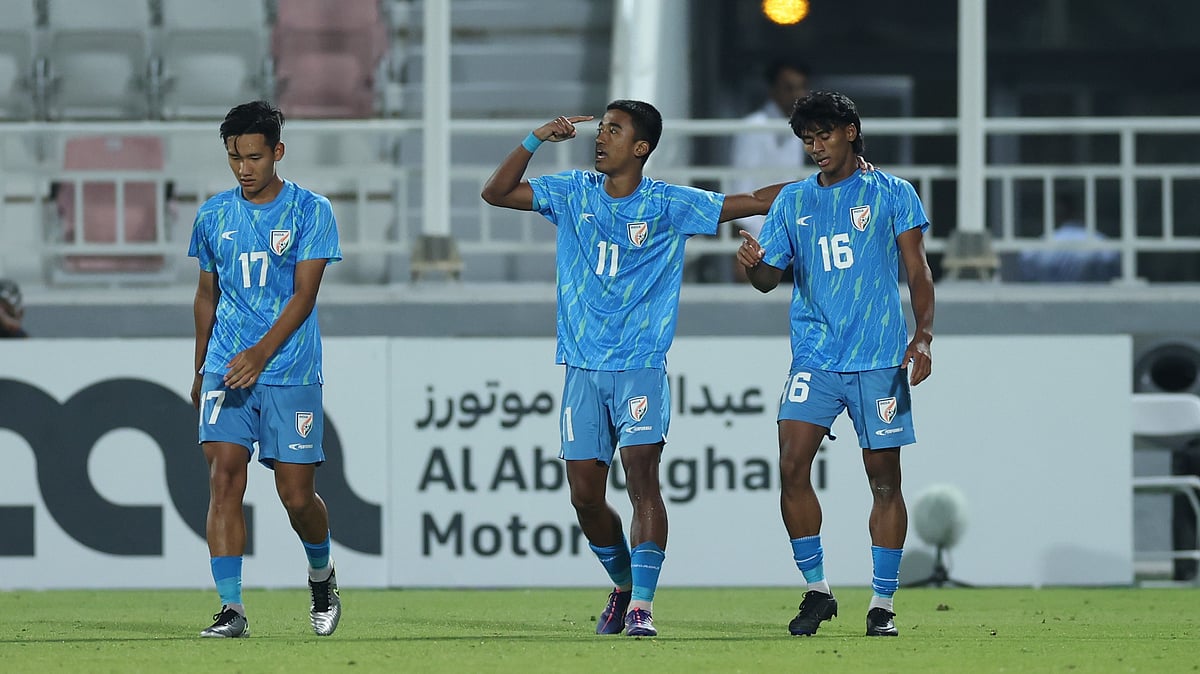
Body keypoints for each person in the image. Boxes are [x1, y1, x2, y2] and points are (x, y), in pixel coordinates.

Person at [481, 100, 786, 637]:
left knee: (643, 480)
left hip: (640, 366)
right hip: (581, 367)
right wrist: (534, 139)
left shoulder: (669, 203)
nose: (601, 138)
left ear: (641, 148)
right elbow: (497, 193)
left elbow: (753, 200)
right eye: (601, 129)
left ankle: (643, 605)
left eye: (614, 131)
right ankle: (623, 585)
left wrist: (822, 185)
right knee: (584, 495)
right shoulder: (572, 192)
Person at [736, 91, 935, 638]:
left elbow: (917, 271)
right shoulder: (794, 201)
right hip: (815, 358)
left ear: (850, 131)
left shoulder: (892, 192)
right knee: (791, 465)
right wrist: (753, 264)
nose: (815, 147)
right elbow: (768, 279)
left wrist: (922, 336)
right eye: (807, 139)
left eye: (823, 135)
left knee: (884, 481)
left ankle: (883, 603)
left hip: (877, 359)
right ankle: (817, 590)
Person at [187, 101, 343, 639]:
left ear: (277, 152)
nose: (243, 168)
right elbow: (206, 295)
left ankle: (321, 574)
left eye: (253, 156)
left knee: (297, 496)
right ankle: (232, 610)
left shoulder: (311, 211)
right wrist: (201, 362)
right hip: (226, 369)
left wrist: (261, 355)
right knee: (224, 479)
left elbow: (304, 296)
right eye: (234, 157)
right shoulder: (212, 215)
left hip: (289, 369)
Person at [1017, 194, 1120, 282]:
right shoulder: (1099, 242)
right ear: (1080, 214)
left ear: (1057, 215)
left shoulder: (1041, 245)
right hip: (1090, 300)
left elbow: (1025, 268)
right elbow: (1113, 267)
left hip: (1050, 300)